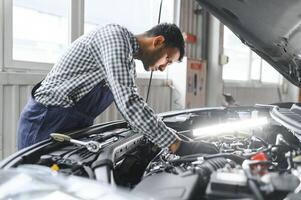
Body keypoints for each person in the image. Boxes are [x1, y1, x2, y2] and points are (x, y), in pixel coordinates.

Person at [17, 23, 218, 155]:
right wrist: (175, 144)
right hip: (46, 120)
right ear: (158, 41)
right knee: (36, 185)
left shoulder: (128, 61)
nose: (164, 67)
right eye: (167, 59)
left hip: (70, 123)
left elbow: (133, 101)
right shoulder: (115, 38)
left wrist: (173, 135)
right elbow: (129, 102)